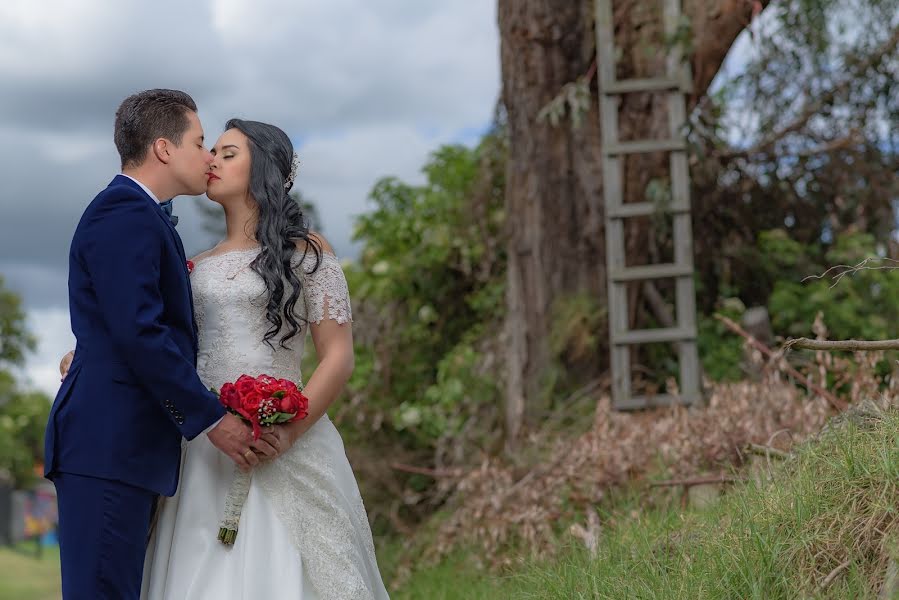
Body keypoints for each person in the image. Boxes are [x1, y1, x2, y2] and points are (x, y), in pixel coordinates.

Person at [137, 118, 389, 598]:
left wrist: (289, 432)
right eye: (211, 150)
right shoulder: (195, 265)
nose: (212, 160)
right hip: (206, 445)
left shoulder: (308, 253)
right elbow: (154, 338)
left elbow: (338, 357)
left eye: (229, 153)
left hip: (289, 437)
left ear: (265, 169)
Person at [45, 89, 280, 599]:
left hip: (127, 448)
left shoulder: (141, 215)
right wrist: (213, 419)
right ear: (164, 149)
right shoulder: (123, 214)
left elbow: (126, 324)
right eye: (200, 142)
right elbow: (140, 330)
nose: (208, 156)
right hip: (108, 447)